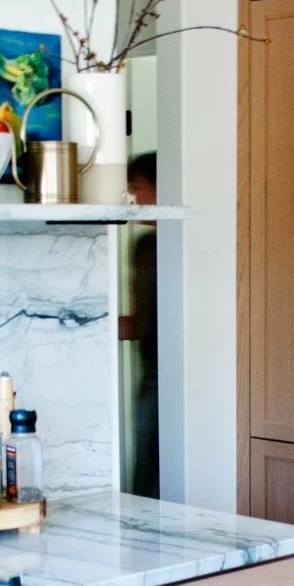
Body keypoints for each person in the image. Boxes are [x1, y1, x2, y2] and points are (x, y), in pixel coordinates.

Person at [120, 152, 159, 496]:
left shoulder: (192, 242)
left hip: (173, 379)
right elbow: (140, 319)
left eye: (137, 187)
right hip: (152, 376)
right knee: (145, 476)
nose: (132, 198)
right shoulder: (144, 246)